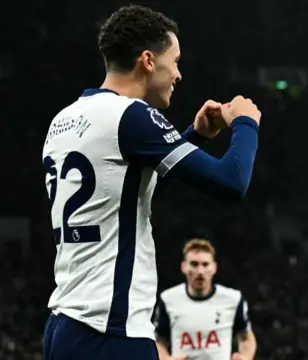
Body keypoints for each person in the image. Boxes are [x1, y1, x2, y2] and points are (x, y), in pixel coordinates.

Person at [41, 5, 261, 360]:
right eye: (174, 61)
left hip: (64, 326)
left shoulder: (64, 119)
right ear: (147, 60)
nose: (178, 74)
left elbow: (131, 189)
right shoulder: (132, 116)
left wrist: (195, 137)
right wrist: (247, 123)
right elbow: (231, 182)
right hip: (111, 332)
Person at [153, 239, 257, 360]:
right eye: (194, 264)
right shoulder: (168, 299)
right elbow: (159, 341)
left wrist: (246, 357)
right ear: (184, 267)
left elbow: (246, 337)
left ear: (214, 268)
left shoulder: (233, 299)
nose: (200, 271)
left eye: (205, 264)